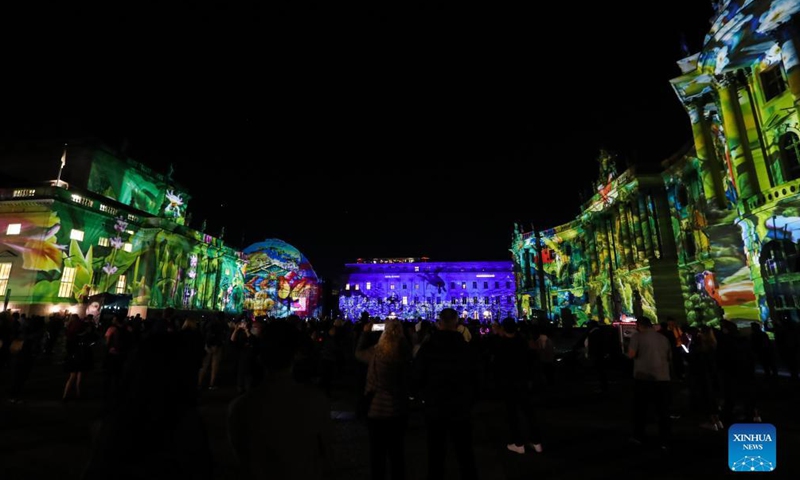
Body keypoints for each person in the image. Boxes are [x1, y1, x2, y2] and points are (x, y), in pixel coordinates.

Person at [229, 320, 332, 480]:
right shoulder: (316, 401)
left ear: (260, 357)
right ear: (296, 355)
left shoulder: (241, 406)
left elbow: (241, 457)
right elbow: (325, 453)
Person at [414, 308, 479, 480]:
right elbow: (477, 377)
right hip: (461, 407)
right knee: (465, 452)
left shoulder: (428, 347)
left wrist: (422, 396)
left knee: (435, 453)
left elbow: (417, 376)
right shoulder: (466, 348)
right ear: (457, 324)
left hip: (435, 407)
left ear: (439, 324)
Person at [355, 320, 410, 480]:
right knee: (397, 453)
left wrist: (365, 333)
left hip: (376, 409)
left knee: (376, 453)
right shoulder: (404, 355)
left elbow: (358, 353)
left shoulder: (375, 353)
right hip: (398, 408)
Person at [494, 318, 542, 455]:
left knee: (512, 414)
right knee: (529, 412)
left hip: (509, 383)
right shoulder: (523, 342)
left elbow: (497, 365)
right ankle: (536, 442)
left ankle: (518, 443)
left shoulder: (501, 344)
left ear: (503, 329)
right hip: (524, 382)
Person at [628, 316, 672, 448]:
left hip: (644, 378)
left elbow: (631, 355)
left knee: (641, 409)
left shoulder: (637, 337)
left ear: (639, 325)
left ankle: (639, 436)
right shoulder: (663, 338)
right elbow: (669, 357)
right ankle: (665, 439)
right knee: (663, 411)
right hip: (663, 378)